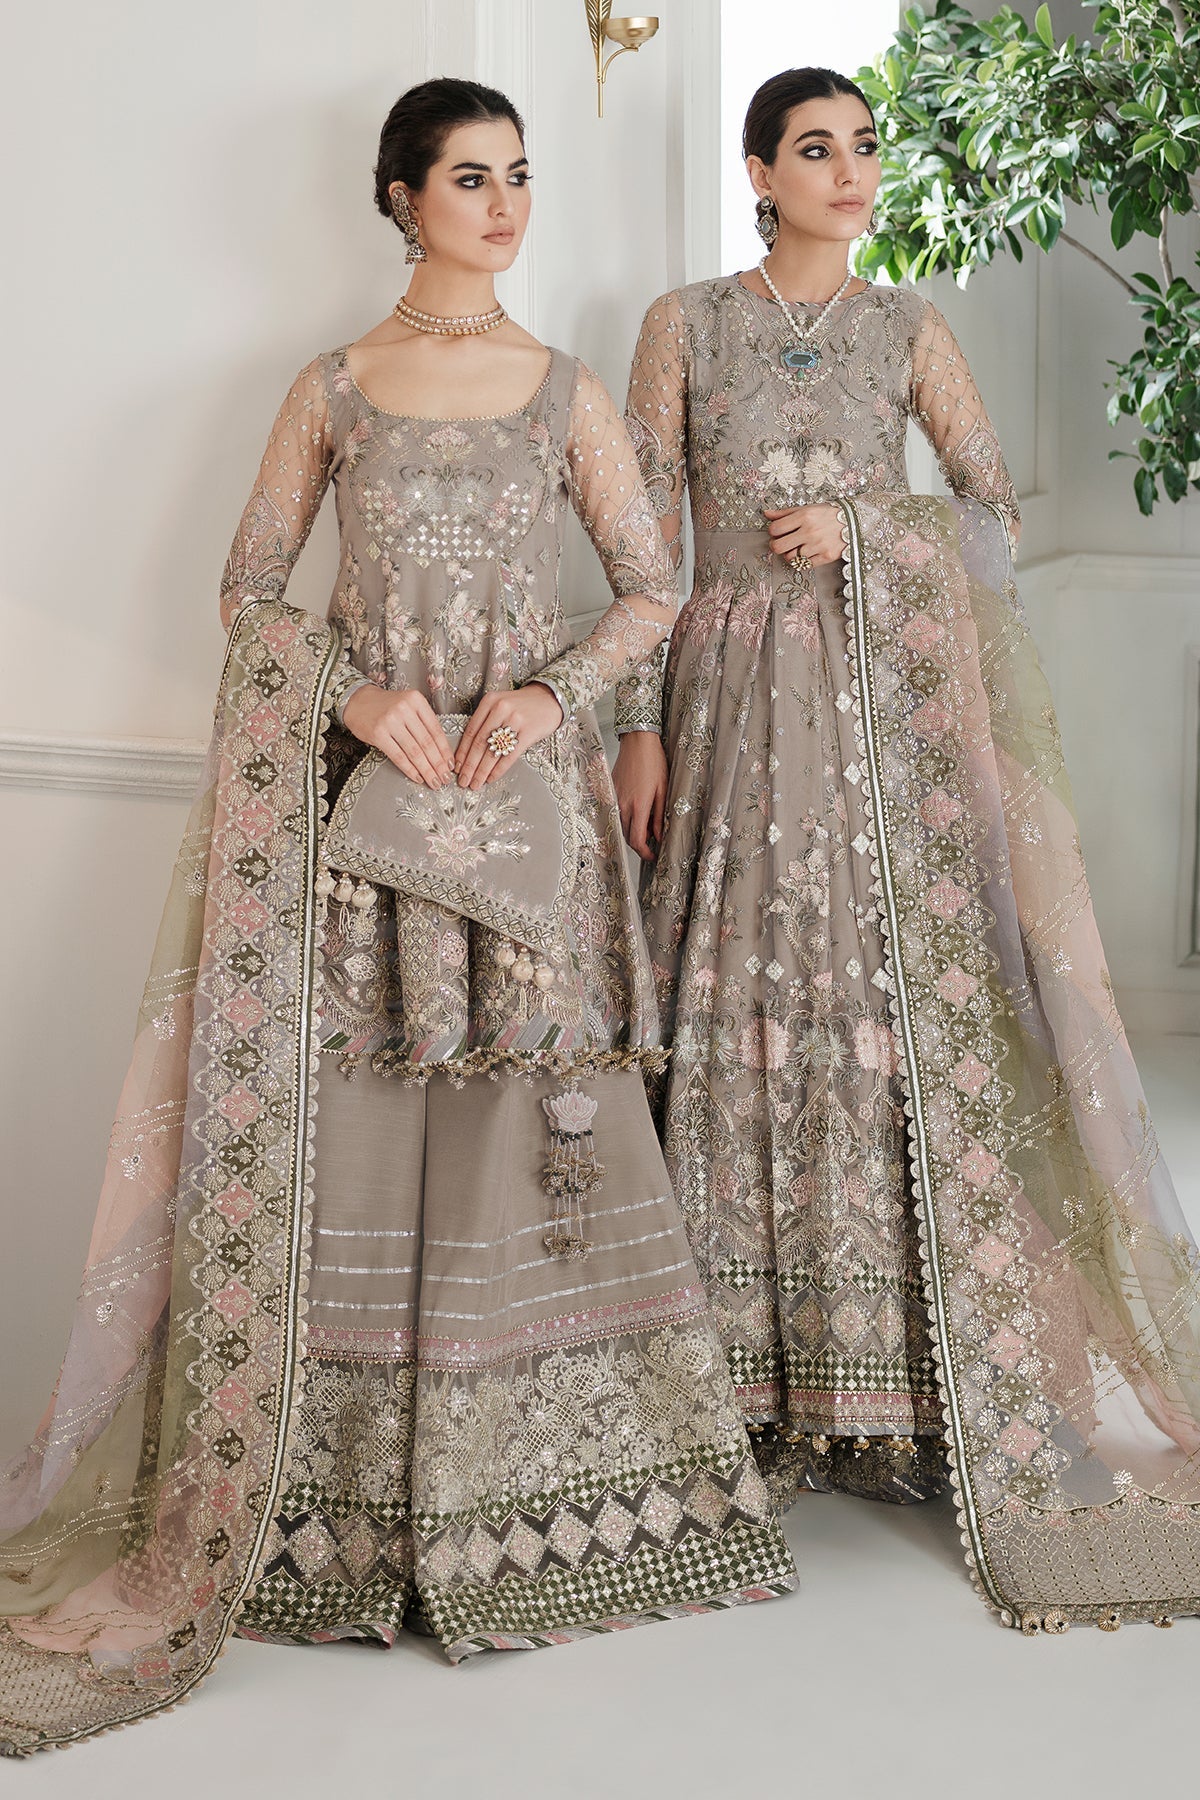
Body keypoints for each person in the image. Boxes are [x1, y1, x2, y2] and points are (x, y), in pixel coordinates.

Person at [0, 78, 795, 1757]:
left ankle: (545, 1498)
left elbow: (653, 585)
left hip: (522, 809)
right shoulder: (335, 387)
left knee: (531, 1127)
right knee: (355, 1118)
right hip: (366, 819)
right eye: (472, 179)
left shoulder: (566, 391)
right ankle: (332, 1509)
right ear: (400, 197)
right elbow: (249, 590)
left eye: (522, 177)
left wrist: (553, 697)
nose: (506, 207)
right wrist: (356, 699)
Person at [612, 65, 1200, 1628]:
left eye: (865, 147)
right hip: (725, 706)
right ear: (759, 171)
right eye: (817, 149)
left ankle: (889, 1385)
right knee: (734, 999)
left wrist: (870, 533)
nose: (851, 171)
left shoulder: (909, 330)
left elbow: (994, 515)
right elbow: (639, 545)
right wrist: (634, 728)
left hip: (882, 716)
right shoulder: (684, 326)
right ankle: (731, 1379)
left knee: (880, 1013)